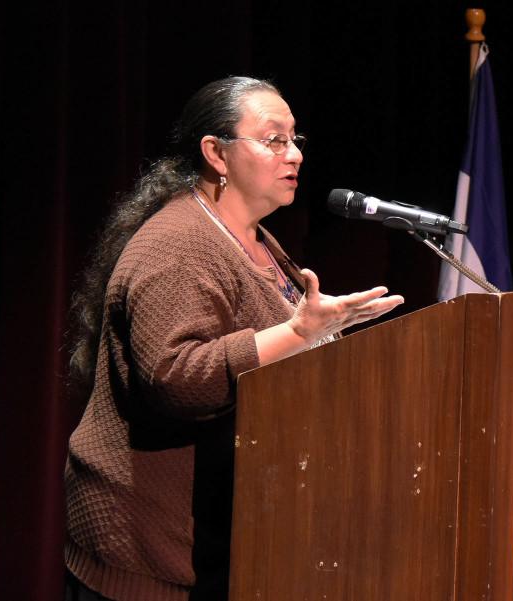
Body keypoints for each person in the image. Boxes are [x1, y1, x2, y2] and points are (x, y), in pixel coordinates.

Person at [64, 76, 404, 601]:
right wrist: (297, 332)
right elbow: (177, 379)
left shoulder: (254, 237)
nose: (294, 155)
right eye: (274, 140)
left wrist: (323, 337)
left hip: (227, 541)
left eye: (296, 140)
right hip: (152, 555)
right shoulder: (176, 247)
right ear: (216, 154)